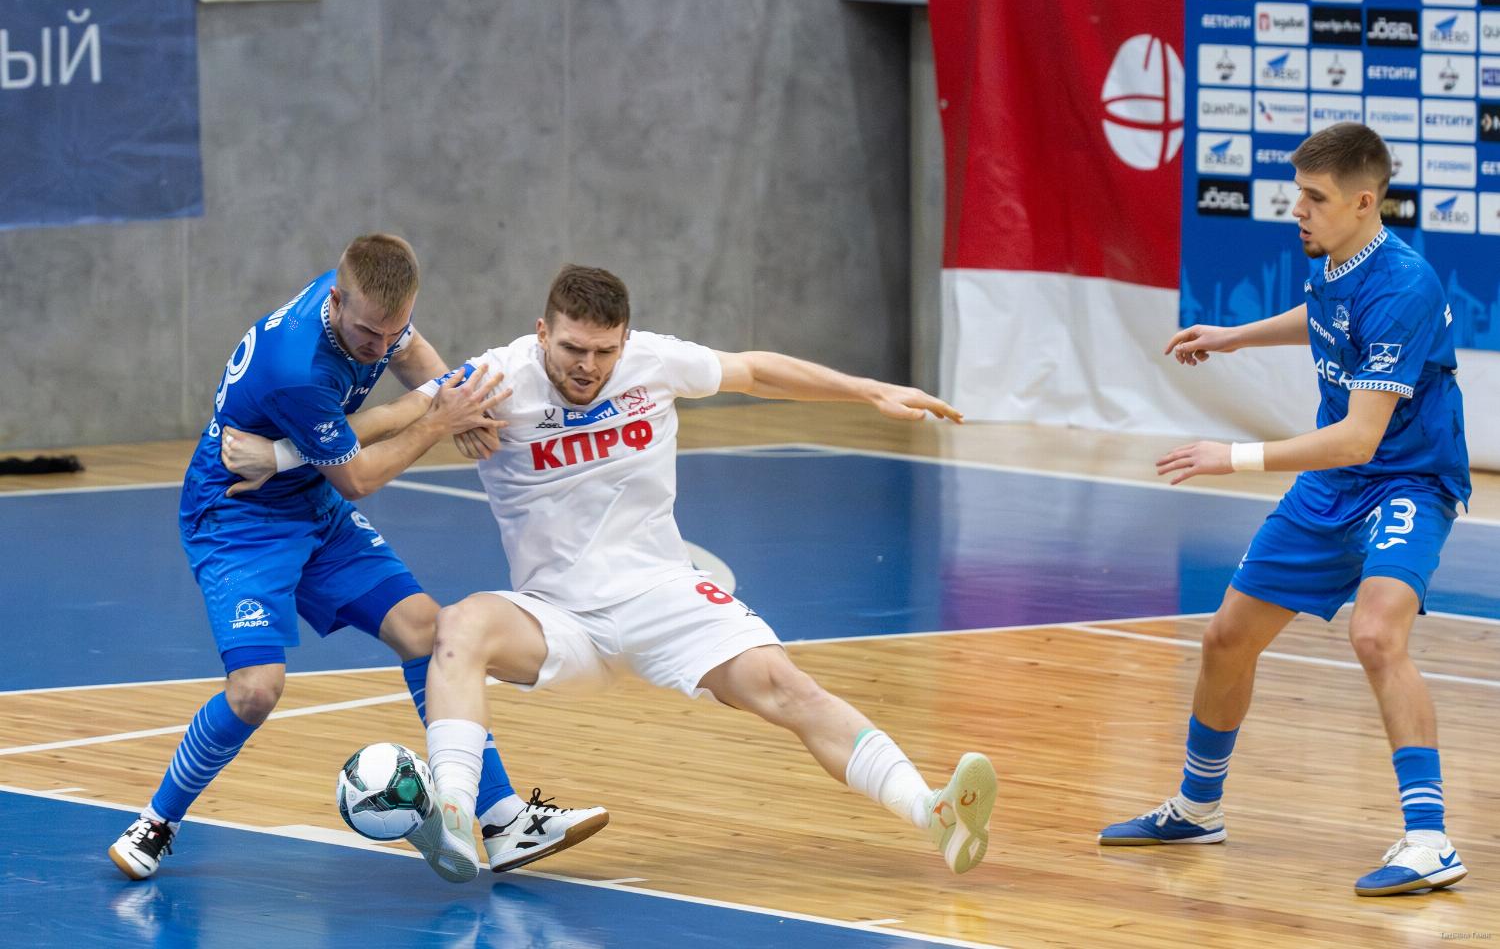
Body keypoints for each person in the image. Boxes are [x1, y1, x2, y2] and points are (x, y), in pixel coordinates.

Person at [227, 263, 999, 879]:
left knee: (787, 687)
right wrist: (283, 454)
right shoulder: (496, 378)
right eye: (572, 350)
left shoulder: (653, 362)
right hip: (556, 614)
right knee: (458, 625)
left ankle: (930, 810)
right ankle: (457, 818)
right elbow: (390, 418)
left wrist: (873, 390)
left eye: (604, 352)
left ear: (624, 341)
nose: (588, 367)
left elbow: (756, 370)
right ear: (543, 333)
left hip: (663, 595)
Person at [109, 235, 606, 885]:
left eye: (391, 331)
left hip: (310, 499)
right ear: (337, 302)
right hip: (239, 516)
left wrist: (455, 403)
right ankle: (156, 820)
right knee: (256, 690)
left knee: (429, 631)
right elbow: (360, 477)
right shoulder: (296, 367)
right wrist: (437, 417)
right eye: (368, 334)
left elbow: (414, 359)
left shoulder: (372, 300)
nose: (379, 346)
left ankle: (501, 819)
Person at [1098, 123, 1470, 897]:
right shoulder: (1337, 257)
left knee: (1376, 634)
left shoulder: (1405, 285)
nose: (1297, 209)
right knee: (1226, 639)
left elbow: (1360, 437)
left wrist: (1231, 457)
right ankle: (1197, 808)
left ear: (1364, 203)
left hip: (1405, 480)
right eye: (1298, 193)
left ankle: (1430, 840)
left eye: (1314, 198)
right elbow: (1328, 319)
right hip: (1334, 484)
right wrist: (1236, 337)